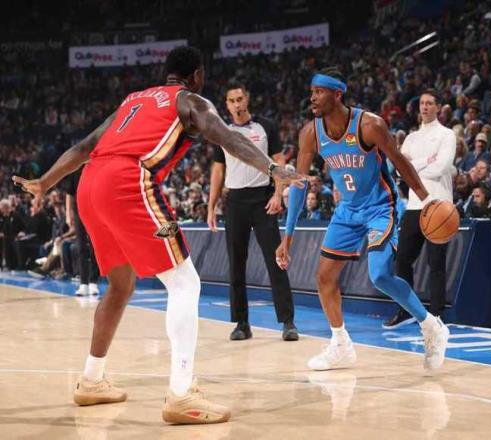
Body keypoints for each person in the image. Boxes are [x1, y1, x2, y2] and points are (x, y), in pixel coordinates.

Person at [13, 46, 305, 425]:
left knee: (120, 285)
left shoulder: (132, 100)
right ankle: (182, 394)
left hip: (90, 184)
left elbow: (85, 147)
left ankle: (91, 379)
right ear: (197, 75)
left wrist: (45, 182)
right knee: (185, 283)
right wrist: (272, 168)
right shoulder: (191, 101)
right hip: (127, 182)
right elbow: (227, 138)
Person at [276, 67, 449, 373]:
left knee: (380, 274)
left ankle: (431, 326)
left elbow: (400, 162)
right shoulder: (310, 133)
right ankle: (341, 345)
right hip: (348, 210)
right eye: (312, 91)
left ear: (337, 94)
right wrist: (286, 238)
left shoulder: (370, 125)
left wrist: (426, 199)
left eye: (319, 92)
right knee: (324, 277)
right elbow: (299, 185)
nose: (312, 97)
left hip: (381, 207)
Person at [207, 82, 298, 342]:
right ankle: (241, 324)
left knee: (276, 260)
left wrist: (278, 193)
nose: (236, 104)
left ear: (247, 99)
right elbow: (218, 170)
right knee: (236, 264)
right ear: (226, 105)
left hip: (262, 200)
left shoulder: (265, 126)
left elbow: (279, 161)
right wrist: (211, 206)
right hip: (235, 201)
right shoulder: (222, 132)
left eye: (240, 99)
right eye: (231, 100)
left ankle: (288, 322)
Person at [383, 89, 456, 329]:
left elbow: (442, 167)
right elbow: (399, 169)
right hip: (414, 206)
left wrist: (413, 168)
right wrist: (426, 161)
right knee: (402, 260)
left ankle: (436, 315)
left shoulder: (447, 135)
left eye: (430, 103)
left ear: (438, 107)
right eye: (422, 103)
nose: (425, 107)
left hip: (439, 205)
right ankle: (407, 310)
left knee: (436, 263)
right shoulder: (411, 138)